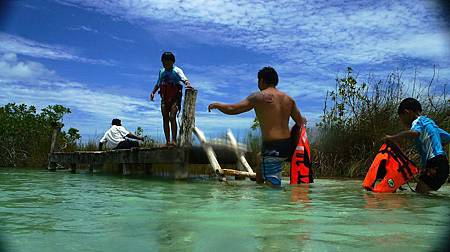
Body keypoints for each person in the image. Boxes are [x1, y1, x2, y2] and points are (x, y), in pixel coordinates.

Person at [208, 66, 306, 187]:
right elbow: (301, 122)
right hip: (287, 147)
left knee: (273, 188)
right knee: (260, 159)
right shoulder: (289, 99)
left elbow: (233, 109)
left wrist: (218, 105)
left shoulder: (258, 97)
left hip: (272, 149)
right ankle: (260, 186)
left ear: (262, 80)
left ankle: (275, 202)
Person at [384, 98, 449, 193]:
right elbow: (448, 138)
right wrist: (438, 145)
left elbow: (414, 133)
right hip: (442, 165)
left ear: (407, 113)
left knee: (419, 196)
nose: (402, 121)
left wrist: (393, 137)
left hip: (435, 164)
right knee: (423, 194)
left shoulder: (418, 121)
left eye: (401, 117)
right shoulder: (431, 124)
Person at [149, 52, 192, 146]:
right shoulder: (161, 71)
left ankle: (174, 140)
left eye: (168, 62)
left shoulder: (177, 70)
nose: (165, 64)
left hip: (175, 97)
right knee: (165, 118)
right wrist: (153, 92)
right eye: (164, 62)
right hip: (164, 97)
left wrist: (187, 84)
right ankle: (168, 141)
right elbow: (158, 83)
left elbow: (185, 79)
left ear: (172, 62)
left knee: (172, 117)